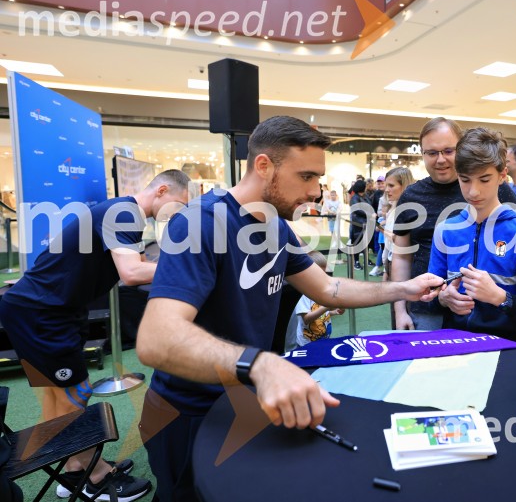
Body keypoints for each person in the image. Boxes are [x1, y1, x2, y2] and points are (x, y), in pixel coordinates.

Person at [136, 116, 442, 502]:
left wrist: (405, 288)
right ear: (264, 166)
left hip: (248, 403)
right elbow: (155, 340)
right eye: (307, 176)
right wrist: (260, 363)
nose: (316, 191)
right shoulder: (201, 221)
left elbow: (328, 288)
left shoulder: (276, 227)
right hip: (189, 414)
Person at [0, 170, 190, 501]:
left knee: (59, 395)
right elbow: (131, 273)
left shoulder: (124, 213)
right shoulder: (125, 212)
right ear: (161, 190)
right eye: (180, 204)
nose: (180, 213)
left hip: (49, 310)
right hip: (41, 314)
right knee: (74, 393)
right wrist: (196, 265)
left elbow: (136, 264)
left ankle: (76, 469)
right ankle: (93, 477)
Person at [391, 117, 516, 331]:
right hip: (426, 311)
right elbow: (402, 257)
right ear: (422, 154)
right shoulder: (410, 197)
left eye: (448, 151)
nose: (440, 159)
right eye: (432, 153)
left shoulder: (497, 189)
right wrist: (400, 310)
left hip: (483, 312)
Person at [428, 127, 516, 343]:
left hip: (507, 347)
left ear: (502, 175)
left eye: (484, 179)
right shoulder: (446, 230)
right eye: (465, 180)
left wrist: (500, 297)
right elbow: (433, 292)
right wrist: (444, 298)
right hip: (454, 344)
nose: (473, 191)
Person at [284, 251, 345, 352]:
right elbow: (306, 319)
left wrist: (333, 312)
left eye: (324, 273)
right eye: (319, 274)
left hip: (323, 339)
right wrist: (326, 306)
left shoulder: (321, 289)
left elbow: (320, 313)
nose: (323, 277)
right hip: (307, 344)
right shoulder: (303, 294)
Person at [380, 167, 414, 281]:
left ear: (403, 186)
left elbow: (407, 243)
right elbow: (388, 247)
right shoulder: (393, 209)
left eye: (391, 186)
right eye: (386, 186)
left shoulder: (411, 212)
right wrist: (385, 271)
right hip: (391, 262)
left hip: (404, 267)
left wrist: (388, 234)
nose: (386, 190)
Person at [348, 179, 373, 270]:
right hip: (357, 224)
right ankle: (356, 261)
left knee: (366, 242)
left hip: (367, 223)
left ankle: (366, 259)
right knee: (357, 242)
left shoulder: (366, 196)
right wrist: (369, 214)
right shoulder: (354, 198)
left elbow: (370, 206)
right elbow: (357, 209)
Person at [322, 190, 343, 263]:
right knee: (332, 229)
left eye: (334, 195)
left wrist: (337, 212)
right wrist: (331, 212)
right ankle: (334, 240)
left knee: (337, 229)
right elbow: (327, 208)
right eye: (332, 195)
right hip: (330, 218)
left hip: (337, 218)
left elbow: (340, 208)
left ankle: (338, 241)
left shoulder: (338, 202)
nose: (333, 196)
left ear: (336, 195)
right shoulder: (328, 202)